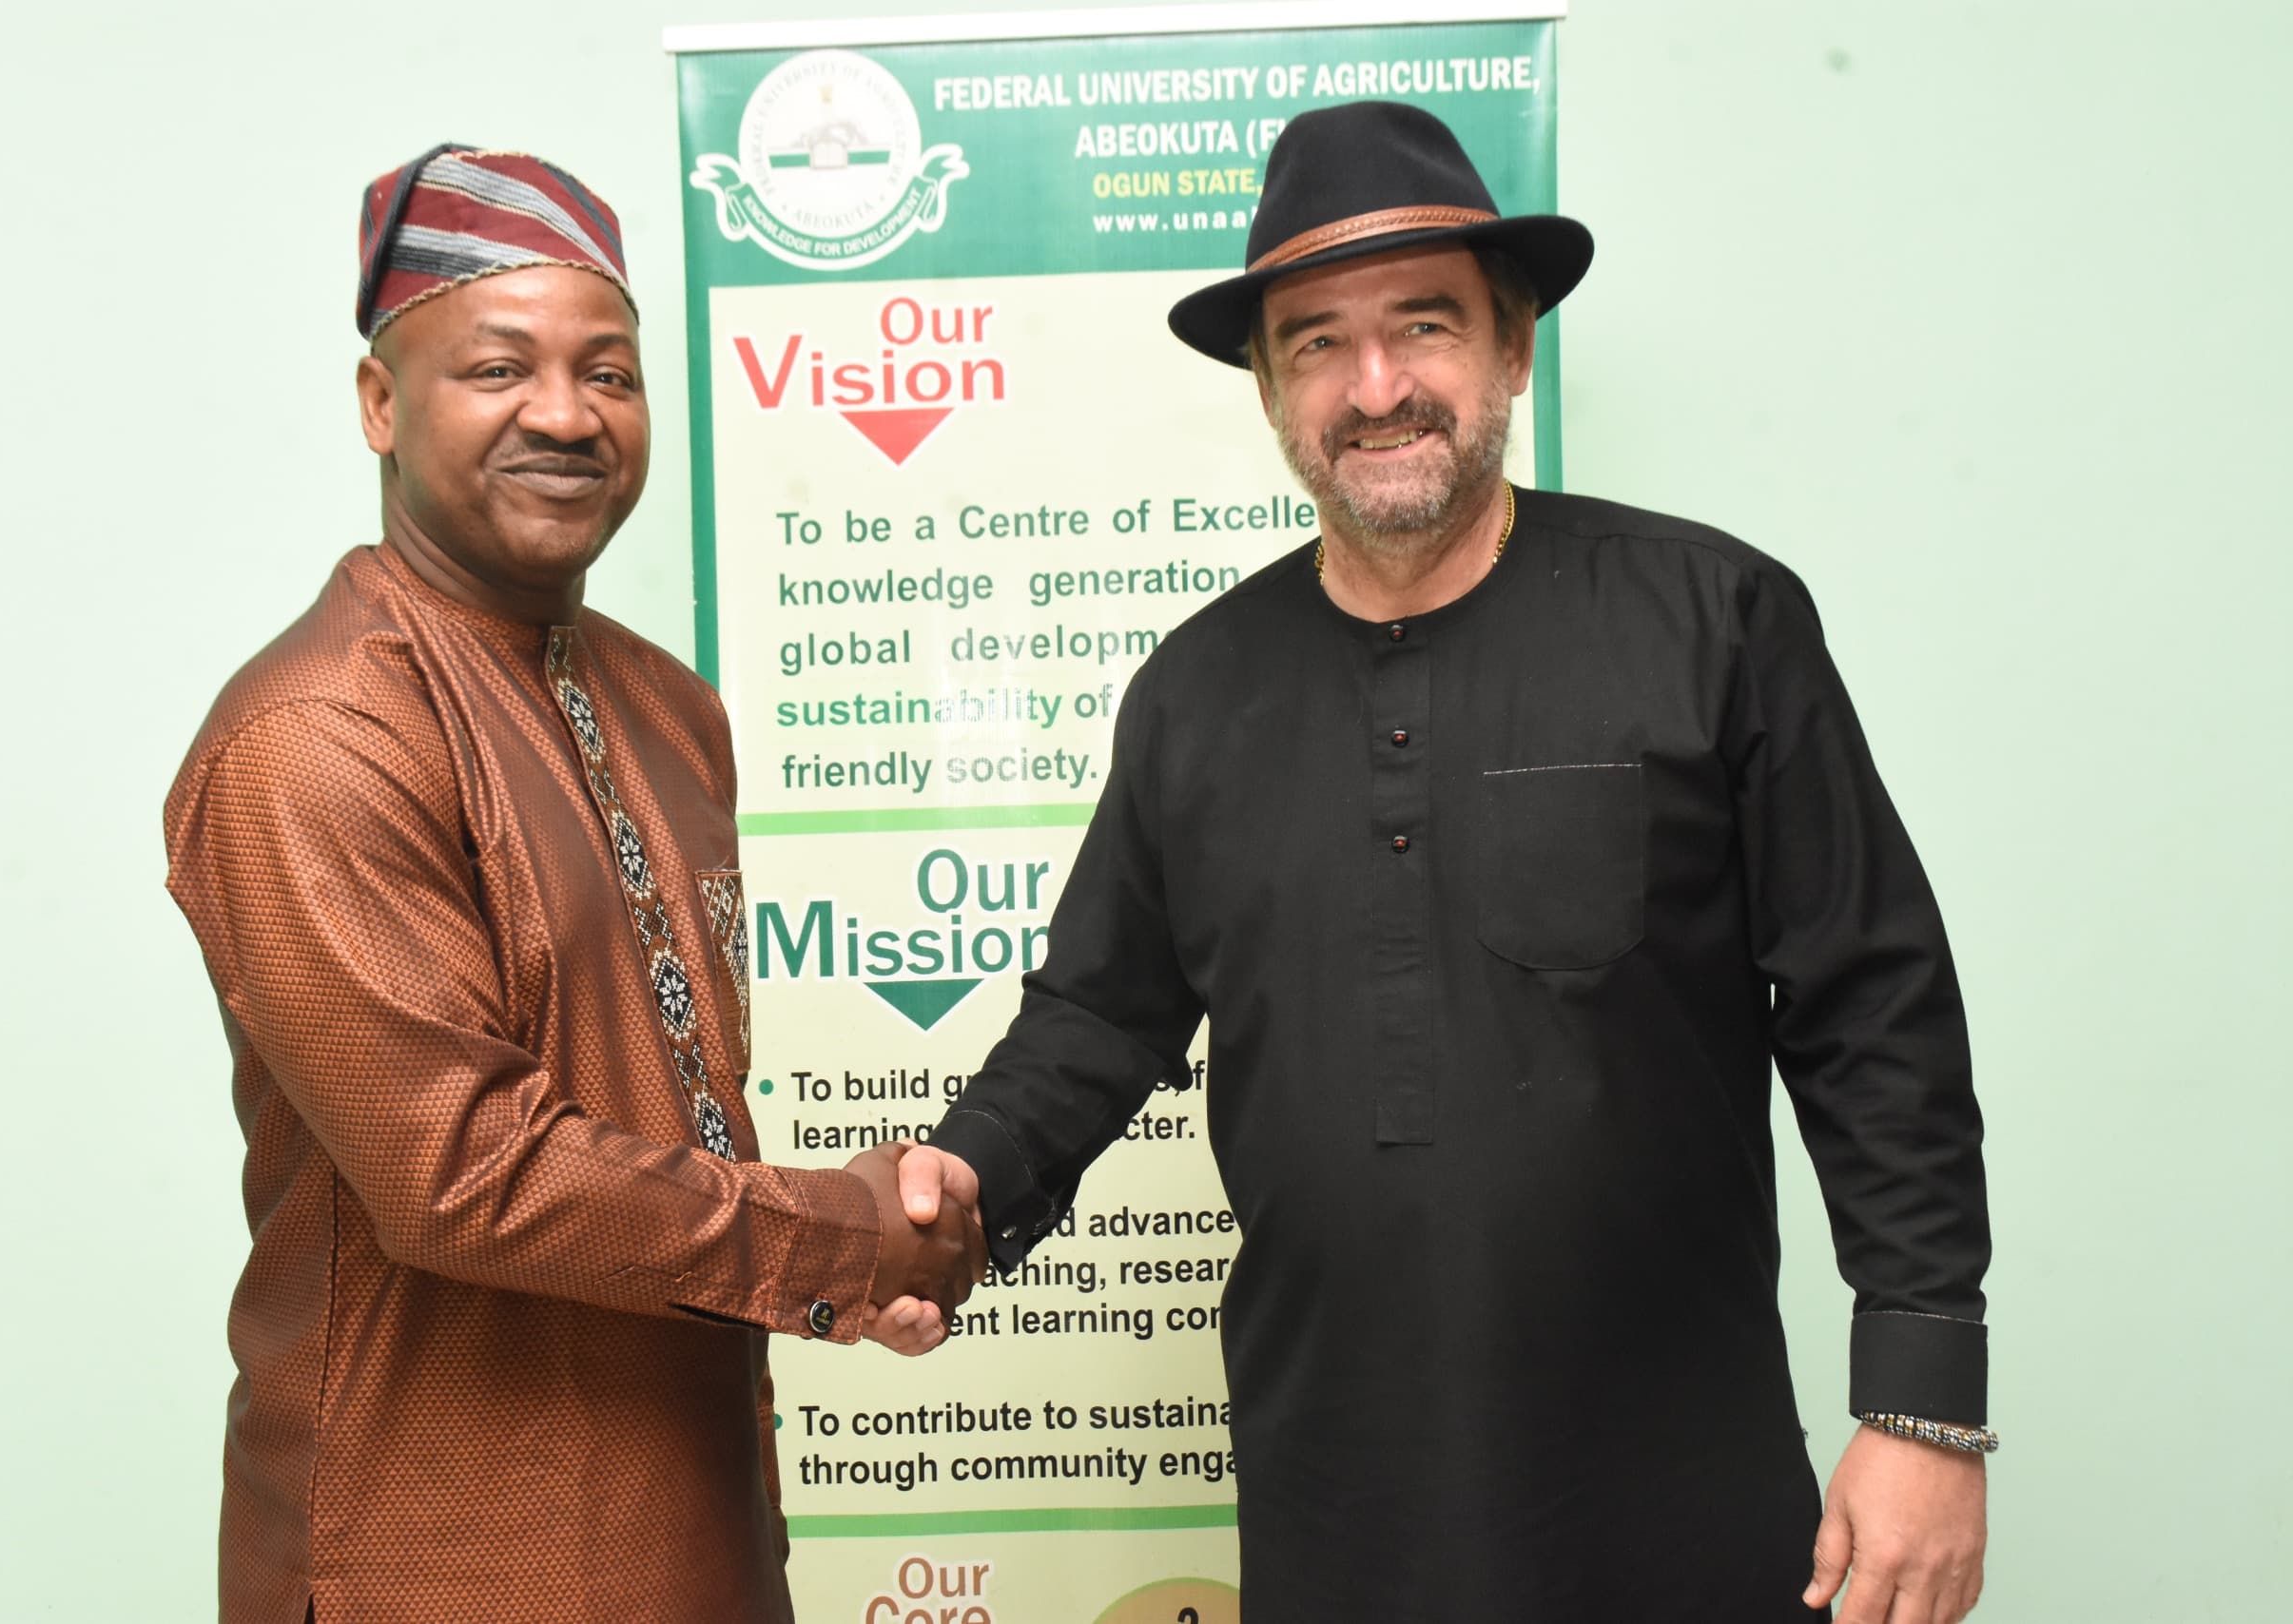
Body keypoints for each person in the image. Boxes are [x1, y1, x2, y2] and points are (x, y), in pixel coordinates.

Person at [900, 102, 1993, 1623]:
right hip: (1334, 1503)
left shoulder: (1716, 622)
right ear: (1271, 390)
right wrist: (960, 1183)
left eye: (1424, 324)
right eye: (1317, 344)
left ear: (1513, 346)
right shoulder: (1197, 693)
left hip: (1681, 1483)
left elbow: (1872, 1008)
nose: (1378, 387)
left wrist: (1925, 1402)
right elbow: (1099, 1011)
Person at [163, 145, 982, 1624]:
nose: (564, 413)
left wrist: (865, 1245)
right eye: (499, 368)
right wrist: (841, 1242)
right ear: (380, 404)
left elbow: (681, 1113)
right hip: (436, 1554)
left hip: (701, 1526)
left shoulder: (671, 709)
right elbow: (462, 1171)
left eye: (609, 374)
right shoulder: (319, 732)